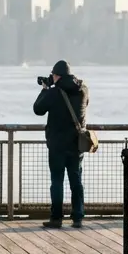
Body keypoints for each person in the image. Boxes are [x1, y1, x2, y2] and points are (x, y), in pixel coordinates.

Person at [33, 60, 89, 229]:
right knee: (76, 180)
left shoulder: (54, 92)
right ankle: (78, 217)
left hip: (57, 145)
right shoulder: (83, 90)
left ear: (57, 76)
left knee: (57, 181)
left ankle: (56, 218)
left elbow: (38, 109)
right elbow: (84, 106)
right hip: (76, 144)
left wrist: (45, 89)